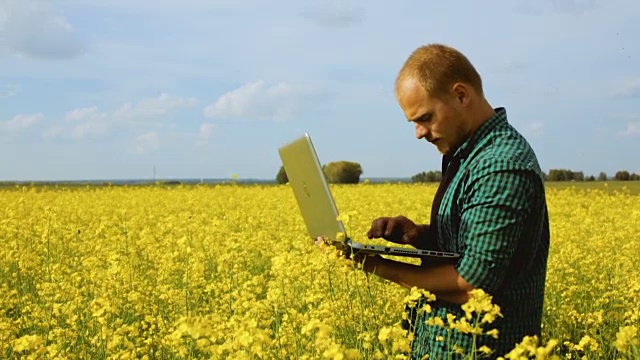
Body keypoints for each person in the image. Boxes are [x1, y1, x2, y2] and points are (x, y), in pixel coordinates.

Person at [318, 43, 550, 359]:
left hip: (481, 350)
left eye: (425, 118)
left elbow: (471, 283)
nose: (418, 133)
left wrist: (376, 265)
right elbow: (472, 245)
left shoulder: (500, 164)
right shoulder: (468, 154)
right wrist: (420, 236)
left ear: (461, 95)